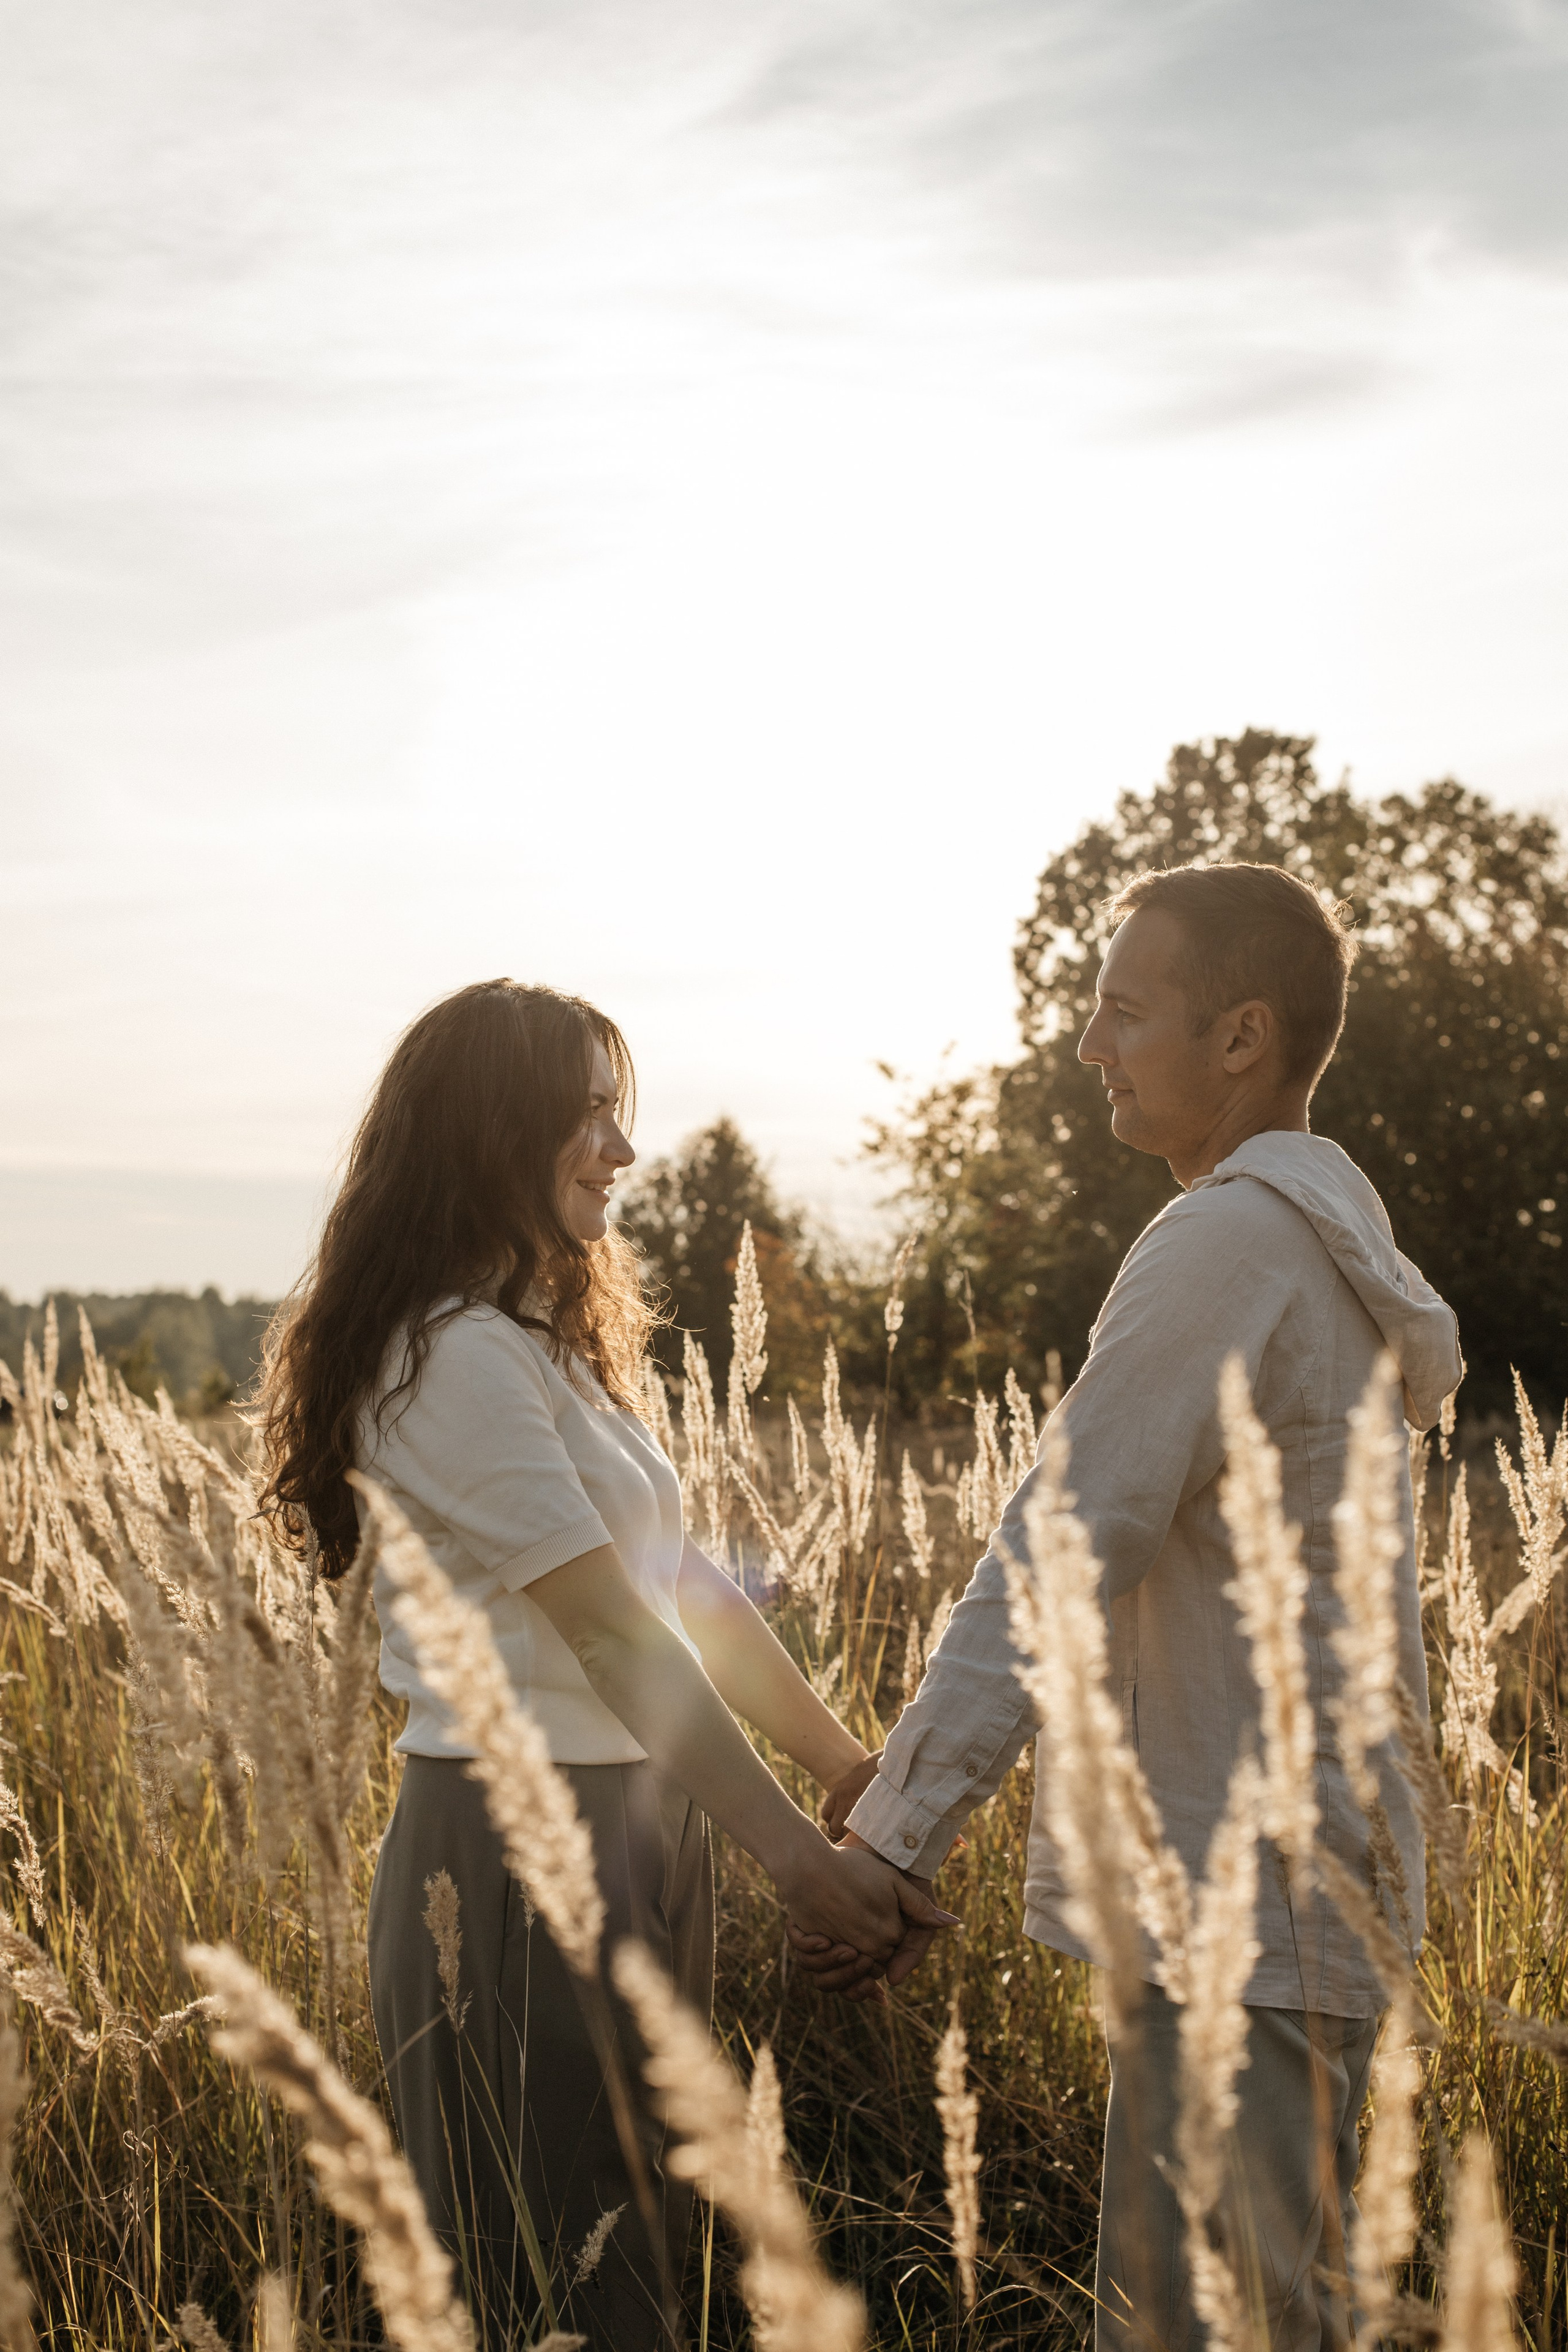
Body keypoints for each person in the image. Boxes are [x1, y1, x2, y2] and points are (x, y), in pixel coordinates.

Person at [793, 863, 1462, 2350]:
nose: (1089, 1044)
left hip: (1243, 1905)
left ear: (1239, 1036)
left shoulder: (1228, 1239)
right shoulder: (1321, 1242)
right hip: (1294, 1899)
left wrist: (892, 1835)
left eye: (1120, 1009)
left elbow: (1058, 1552)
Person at [258, 979, 951, 2351]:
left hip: (643, 1830)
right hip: (515, 1857)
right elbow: (609, 1635)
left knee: (635, 2251)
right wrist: (802, 1868)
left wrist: (850, 1779)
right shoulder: (447, 1360)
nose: (619, 1155)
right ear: (485, 1131)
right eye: (583, 1119)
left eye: (614, 1118)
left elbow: (682, 1591)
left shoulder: (539, 1347)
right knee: (552, 2284)